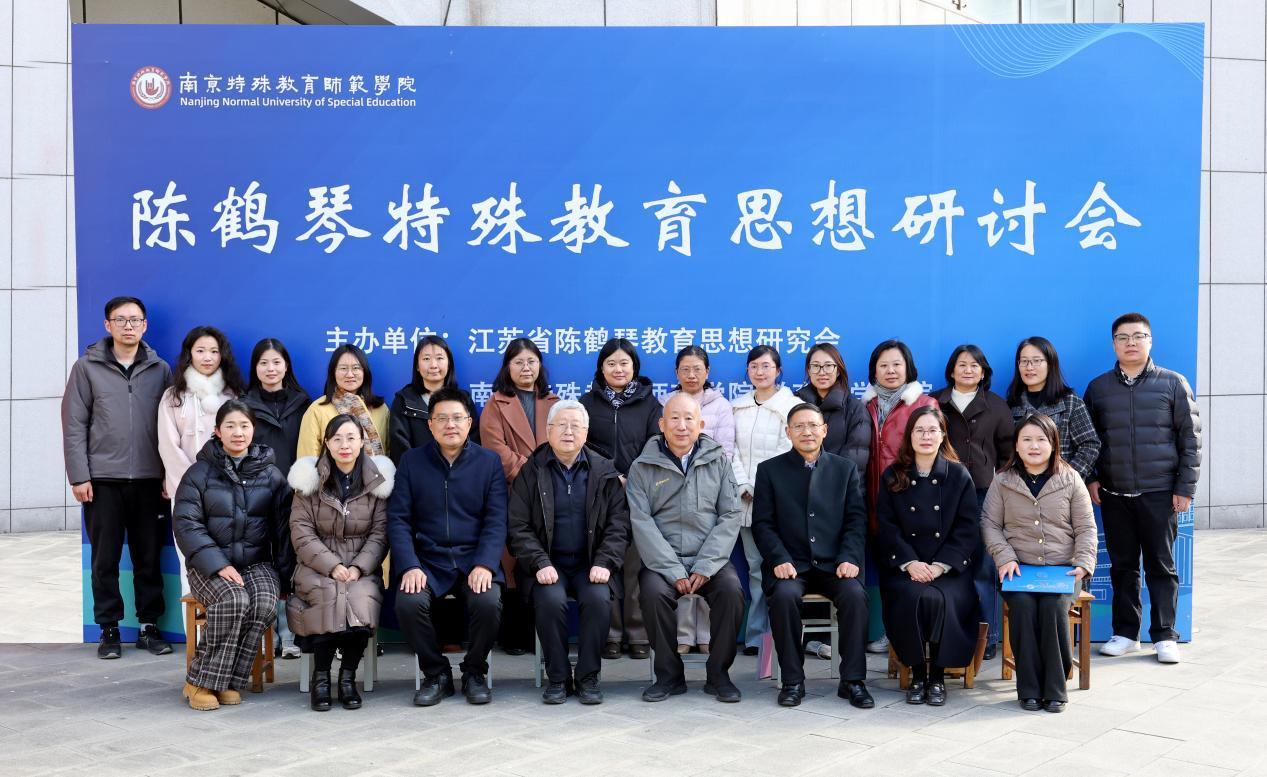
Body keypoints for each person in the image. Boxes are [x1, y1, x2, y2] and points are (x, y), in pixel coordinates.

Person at [1083, 313, 1201, 664]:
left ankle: (1165, 635)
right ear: (1114, 344)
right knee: (1122, 567)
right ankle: (1125, 633)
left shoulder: (1173, 383)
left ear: (1150, 341)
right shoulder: (1098, 388)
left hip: (1160, 493)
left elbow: (1191, 439)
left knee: (1161, 567)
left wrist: (1185, 488)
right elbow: (1088, 440)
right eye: (1123, 337)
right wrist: (1092, 478)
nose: (1131, 343)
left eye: (1138, 336)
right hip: (1115, 494)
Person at [62, 296, 174, 659]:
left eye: (135, 320)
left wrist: (167, 473)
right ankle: (108, 628)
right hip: (102, 480)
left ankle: (148, 626)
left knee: (149, 558)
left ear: (145, 325)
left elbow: (169, 427)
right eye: (121, 320)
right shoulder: (86, 368)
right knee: (104, 559)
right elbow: (74, 425)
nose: (129, 326)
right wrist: (79, 476)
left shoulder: (160, 369)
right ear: (107, 325)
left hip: (149, 480)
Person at [388, 387, 507, 706]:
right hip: (428, 560)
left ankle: (474, 672)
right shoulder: (412, 462)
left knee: (488, 601)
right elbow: (398, 519)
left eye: (457, 418)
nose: (450, 425)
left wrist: (485, 563)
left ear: (469, 422)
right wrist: (410, 565)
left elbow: (496, 520)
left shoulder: (489, 462)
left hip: (473, 559)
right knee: (408, 603)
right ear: (430, 424)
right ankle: (436, 673)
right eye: (441, 418)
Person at [507, 400, 630, 705]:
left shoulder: (604, 471)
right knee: (549, 600)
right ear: (548, 431)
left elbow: (619, 525)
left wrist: (604, 561)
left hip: (591, 564)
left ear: (586, 432)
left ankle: (588, 677)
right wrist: (539, 562)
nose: (568, 432)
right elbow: (518, 526)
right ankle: (558, 677)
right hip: (549, 565)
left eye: (575, 426)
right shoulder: (531, 471)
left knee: (598, 599)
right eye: (561, 425)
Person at [752, 402, 872, 709]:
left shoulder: (844, 469)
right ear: (788, 432)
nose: (807, 432)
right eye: (799, 426)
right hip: (791, 565)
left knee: (855, 596)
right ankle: (793, 680)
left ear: (824, 430)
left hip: (834, 564)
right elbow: (763, 524)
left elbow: (856, 520)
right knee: (783, 597)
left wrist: (849, 557)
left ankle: (853, 681)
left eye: (813, 425)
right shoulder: (770, 470)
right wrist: (779, 558)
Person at [172, 401, 291, 711]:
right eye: (230, 426)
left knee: (263, 603)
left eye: (244, 426)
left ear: (253, 430)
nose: (238, 433)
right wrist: (218, 564)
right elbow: (186, 524)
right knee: (234, 599)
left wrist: (285, 577)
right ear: (217, 431)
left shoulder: (271, 475)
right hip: (209, 565)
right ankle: (199, 682)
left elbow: (283, 531)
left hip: (256, 563)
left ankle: (227, 681)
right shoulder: (199, 473)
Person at [629, 394, 744, 703]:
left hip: (709, 559)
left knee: (731, 591)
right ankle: (669, 676)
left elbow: (730, 514)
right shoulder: (642, 466)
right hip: (663, 561)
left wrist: (706, 566)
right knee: (653, 594)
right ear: (662, 424)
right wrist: (672, 570)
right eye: (674, 419)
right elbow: (641, 521)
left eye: (689, 419)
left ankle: (719, 674)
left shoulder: (718, 460)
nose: (682, 426)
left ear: (701, 424)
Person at [982, 413, 1097, 712]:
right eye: (1027, 440)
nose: (1034, 446)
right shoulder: (1003, 481)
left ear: (1054, 443)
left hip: (1062, 571)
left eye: (1041, 439)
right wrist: (1004, 557)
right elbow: (990, 524)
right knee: (1022, 607)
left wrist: (1083, 563)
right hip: (1019, 570)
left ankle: (1056, 688)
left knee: (1052, 608)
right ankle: (1029, 689)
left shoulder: (1071, 478)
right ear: (1016, 446)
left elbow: (1086, 528)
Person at [874, 406, 980, 707]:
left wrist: (940, 566)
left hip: (948, 569)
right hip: (905, 566)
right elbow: (887, 526)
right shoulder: (894, 475)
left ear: (943, 435)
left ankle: (938, 676)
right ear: (909, 436)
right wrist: (910, 563)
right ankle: (918, 674)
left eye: (932, 430)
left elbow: (968, 527)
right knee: (913, 597)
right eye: (919, 430)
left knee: (940, 599)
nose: (926, 436)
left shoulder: (958, 475)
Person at [287, 415, 393, 712]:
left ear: (362, 442)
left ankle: (347, 677)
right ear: (327, 443)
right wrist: (332, 566)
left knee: (359, 601)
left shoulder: (378, 483)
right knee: (328, 598)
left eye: (351, 438)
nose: (344, 445)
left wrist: (358, 567)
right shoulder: (309, 482)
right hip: (316, 567)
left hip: (362, 569)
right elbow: (301, 532)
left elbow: (381, 533)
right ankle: (321, 678)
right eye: (337, 439)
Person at [579, 338, 663, 660]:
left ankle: (638, 633)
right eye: (611, 363)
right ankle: (611, 634)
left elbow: (656, 444)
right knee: (607, 562)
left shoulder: (650, 404)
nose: (618, 369)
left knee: (636, 566)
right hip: (599, 493)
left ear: (634, 367)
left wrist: (632, 476)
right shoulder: (587, 404)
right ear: (601, 368)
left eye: (624, 363)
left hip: (640, 494)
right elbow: (582, 445)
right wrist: (611, 475)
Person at [480, 337, 560, 655]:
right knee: (512, 560)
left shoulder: (554, 403)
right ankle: (513, 635)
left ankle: (541, 635)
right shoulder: (495, 404)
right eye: (518, 362)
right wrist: (531, 471)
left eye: (531, 361)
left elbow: (565, 443)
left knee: (543, 559)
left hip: (551, 495)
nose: (526, 368)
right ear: (507, 367)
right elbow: (494, 449)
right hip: (511, 492)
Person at [933, 344, 1013, 660]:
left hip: (983, 494)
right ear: (951, 370)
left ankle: (987, 637)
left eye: (975, 365)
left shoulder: (997, 406)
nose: (968, 370)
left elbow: (1008, 455)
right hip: (941, 492)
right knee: (944, 561)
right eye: (962, 364)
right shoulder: (935, 402)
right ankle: (944, 631)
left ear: (983, 372)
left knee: (983, 565)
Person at [861, 339, 938, 654]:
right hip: (874, 502)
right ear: (874, 371)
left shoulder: (924, 404)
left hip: (912, 502)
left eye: (896, 364)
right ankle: (891, 633)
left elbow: (934, 455)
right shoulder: (865, 407)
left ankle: (918, 636)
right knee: (888, 571)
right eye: (883, 365)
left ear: (908, 368)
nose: (890, 370)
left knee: (915, 571)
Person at [661, 345, 735, 656]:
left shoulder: (721, 405)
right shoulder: (664, 403)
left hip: (709, 488)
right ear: (676, 373)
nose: (691, 375)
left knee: (710, 565)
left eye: (697, 369)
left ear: (707, 372)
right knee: (674, 569)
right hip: (673, 490)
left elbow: (726, 450)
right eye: (685, 369)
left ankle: (704, 635)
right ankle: (683, 636)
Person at [241, 338, 311, 660]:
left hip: (297, 495)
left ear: (286, 366)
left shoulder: (303, 403)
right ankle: (266, 633)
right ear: (255, 368)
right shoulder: (244, 405)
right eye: (263, 363)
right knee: (262, 561)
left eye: (276, 362)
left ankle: (290, 632)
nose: (271, 369)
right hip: (257, 495)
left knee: (292, 561)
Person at [730, 345, 799, 657]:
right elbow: (729, 449)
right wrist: (743, 483)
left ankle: (782, 637)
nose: (760, 372)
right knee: (756, 569)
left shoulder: (791, 406)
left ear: (778, 370)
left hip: (778, 500)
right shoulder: (737, 407)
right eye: (754, 366)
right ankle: (758, 638)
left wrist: (762, 485)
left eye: (766, 366)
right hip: (744, 500)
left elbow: (790, 449)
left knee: (780, 568)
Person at [157, 325, 245, 501]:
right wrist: (192, 481)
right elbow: (168, 446)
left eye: (214, 351)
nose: (207, 358)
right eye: (200, 351)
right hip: (184, 487)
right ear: (189, 354)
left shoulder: (233, 395)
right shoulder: (173, 396)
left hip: (225, 489)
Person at [1006, 336, 1100, 481]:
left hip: (1062, 486)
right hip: (1021, 485)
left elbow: (1090, 445)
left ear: (1050, 364)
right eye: (1024, 361)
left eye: (1037, 361)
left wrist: (1067, 478)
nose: (1029, 367)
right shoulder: (1011, 404)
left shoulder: (1070, 401)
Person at [389, 335, 479, 464]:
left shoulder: (463, 399)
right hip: (417, 472)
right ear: (417, 366)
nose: (433, 365)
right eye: (426, 359)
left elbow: (474, 442)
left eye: (439, 358)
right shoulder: (404, 401)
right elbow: (400, 448)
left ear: (449, 363)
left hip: (459, 471)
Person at [297, 344, 390, 460]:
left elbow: (390, 453)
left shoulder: (380, 408)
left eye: (356, 368)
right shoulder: (317, 410)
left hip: (378, 472)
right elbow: (307, 460)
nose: (350, 374)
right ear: (333, 372)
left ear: (365, 372)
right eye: (343, 368)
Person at [794, 342, 871, 472]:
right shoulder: (795, 403)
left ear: (838, 370)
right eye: (815, 366)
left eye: (829, 366)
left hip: (839, 482)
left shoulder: (855, 409)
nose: (822, 372)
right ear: (809, 370)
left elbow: (854, 460)